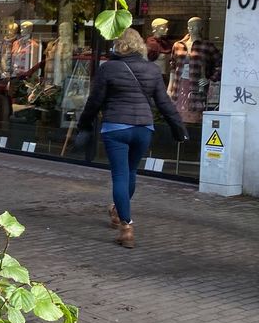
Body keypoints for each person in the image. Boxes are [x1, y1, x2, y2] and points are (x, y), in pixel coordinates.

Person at [77, 28, 188, 249]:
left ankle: (126, 226)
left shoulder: (107, 68)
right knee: (131, 173)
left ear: (119, 45)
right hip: (144, 129)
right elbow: (164, 103)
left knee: (119, 175)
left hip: (116, 128)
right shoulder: (152, 70)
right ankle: (118, 212)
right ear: (140, 46)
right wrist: (179, 127)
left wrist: (84, 123)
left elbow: (95, 100)